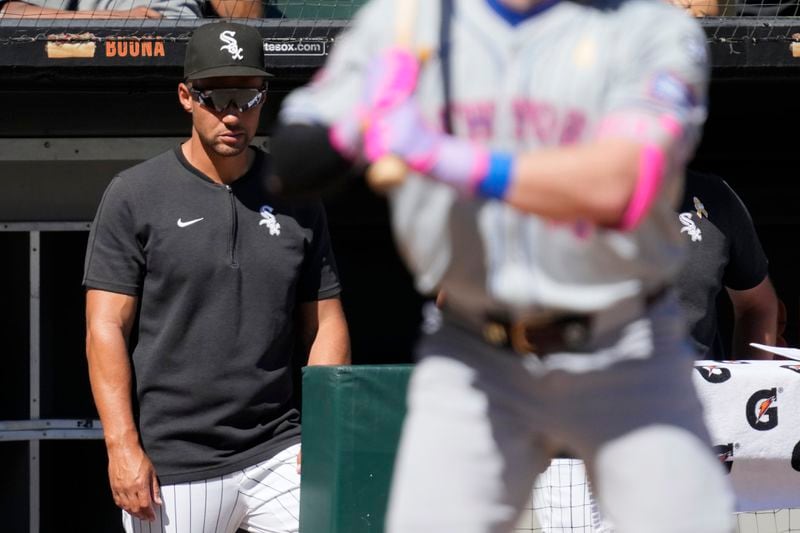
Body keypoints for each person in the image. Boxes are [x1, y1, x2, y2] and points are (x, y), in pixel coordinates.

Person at [270, 0, 734, 532]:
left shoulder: (652, 27)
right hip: (476, 349)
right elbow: (290, 162)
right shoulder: (406, 21)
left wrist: (442, 155)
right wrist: (350, 123)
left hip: (624, 345)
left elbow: (620, 184)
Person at [83, 21, 349, 533]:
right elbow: (104, 328)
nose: (234, 113)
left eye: (249, 97)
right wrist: (122, 447)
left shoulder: (296, 195)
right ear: (186, 96)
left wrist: (323, 433)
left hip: (279, 451)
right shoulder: (134, 194)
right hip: (174, 466)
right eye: (216, 96)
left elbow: (327, 324)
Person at [675, 169, 778, 360]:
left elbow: (756, 304)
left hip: (694, 385)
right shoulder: (602, 196)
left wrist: (749, 384)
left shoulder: (714, 196)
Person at [0, 0, 262, 18]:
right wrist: (112, 21)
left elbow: (246, 15)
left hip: (181, 61)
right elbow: (7, 12)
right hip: (86, 62)